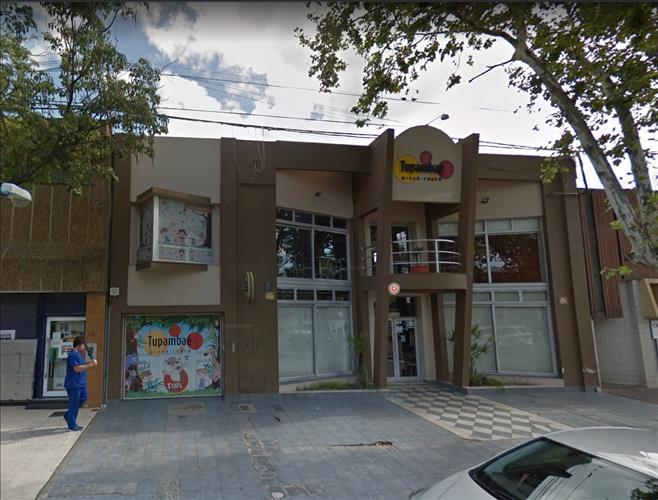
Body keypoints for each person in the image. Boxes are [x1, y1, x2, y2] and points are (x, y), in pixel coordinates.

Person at [63, 336, 97, 431]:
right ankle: (72, 425)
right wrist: (90, 365)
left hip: (81, 383)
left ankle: (68, 415)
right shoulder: (73, 355)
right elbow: (76, 368)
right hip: (74, 384)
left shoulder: (79, 355)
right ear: (79, 345)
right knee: (74, 405)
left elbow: (81, 366)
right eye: (83, 345)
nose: (84, 347)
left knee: (83, 398)